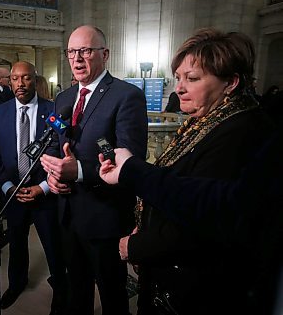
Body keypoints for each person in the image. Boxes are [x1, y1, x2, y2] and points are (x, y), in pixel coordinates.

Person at [100, 28, 276, 315]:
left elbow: (203, 217)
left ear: (230, 83)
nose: (178, 88)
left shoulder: (243, 131)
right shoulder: (206, 119)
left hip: (200, 292)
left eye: (192, 79)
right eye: (178, 78)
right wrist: (143, 223)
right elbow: (175, 187)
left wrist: (138, 245)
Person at [98, 132, 282, 315]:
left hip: (196, 292)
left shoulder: (241, 132)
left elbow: (215, 213)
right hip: (161, 285)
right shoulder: (202, 124)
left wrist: (137, 245)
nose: (178, 100)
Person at [39, 25, 148, 315]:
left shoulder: (127, 96)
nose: (77, 58)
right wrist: (52, 174)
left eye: (85, 50)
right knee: (77, 292)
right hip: (67, 214)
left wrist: (80, 171)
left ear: (105, 54)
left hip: (104, 217)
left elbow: (130, 160)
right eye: (72, 52)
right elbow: (54, 144)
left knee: (112, 296)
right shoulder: (62, 98)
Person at [0, 61, 66, 313]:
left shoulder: (53, 111)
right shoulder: (0, 112)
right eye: (15, 79)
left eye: (27, 78)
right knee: (16, 242)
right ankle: (16, 283)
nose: (21, 84)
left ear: (35, 79)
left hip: (45, 193)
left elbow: (65, 150)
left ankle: (62, 293)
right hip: (14, 194)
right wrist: (8, 186)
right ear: (10, 82)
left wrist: (43, 187)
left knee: (53, 247)